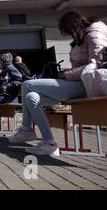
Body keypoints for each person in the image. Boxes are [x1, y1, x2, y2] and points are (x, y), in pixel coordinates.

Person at [9, 11, 107, 156]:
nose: (70, 35)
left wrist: (65, 74)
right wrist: (66, 72)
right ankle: (49, 143)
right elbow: (83, 65)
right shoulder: (82, 37)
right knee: (31, 97)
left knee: (27, 85)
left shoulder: (94, 34)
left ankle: (26, 130)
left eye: (69, 31)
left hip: (88, 85)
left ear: (74, 25)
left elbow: (96, 65)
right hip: (79, 83)